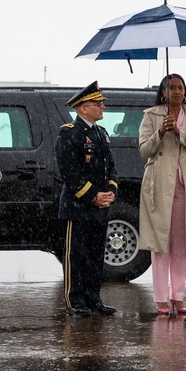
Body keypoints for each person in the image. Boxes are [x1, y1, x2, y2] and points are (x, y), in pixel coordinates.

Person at [138, 74, 186, 316]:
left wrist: (180, 133)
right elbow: (144, 149)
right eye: (172, 88)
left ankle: (177, 297)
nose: (177, 92)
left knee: (181, 244)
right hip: (159, 184)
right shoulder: (151, 115)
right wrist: (160, 132)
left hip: (185, 187)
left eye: (181, 87)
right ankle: (160, 299)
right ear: (163, 93)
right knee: (161, 243)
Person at [55, 81, 119, 317]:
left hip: (101, 208)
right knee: (76, 255)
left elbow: (111, 168)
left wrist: (111, 192)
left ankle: (94, 299)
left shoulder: (102, 134)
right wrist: (93, 196)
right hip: (77, 207)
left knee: (95, 256)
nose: (103, 107)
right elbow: (69, 173)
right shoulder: (69, 132)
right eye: (98, 103)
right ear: (83, 108)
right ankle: (75, 301)